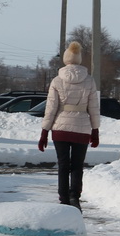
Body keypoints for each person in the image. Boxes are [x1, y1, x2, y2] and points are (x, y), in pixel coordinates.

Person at [37, 41, 100, 210]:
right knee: (77, 165)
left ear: (65, 59)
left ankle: (63, 199)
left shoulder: (57, 81)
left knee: (63, 164)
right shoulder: (89, 81)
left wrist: (44, 132)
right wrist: (95, 130)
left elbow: (51, 108)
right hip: (82, 129)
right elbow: (94, 107)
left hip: (61, 129)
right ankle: (75, 198)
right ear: (79, 59)